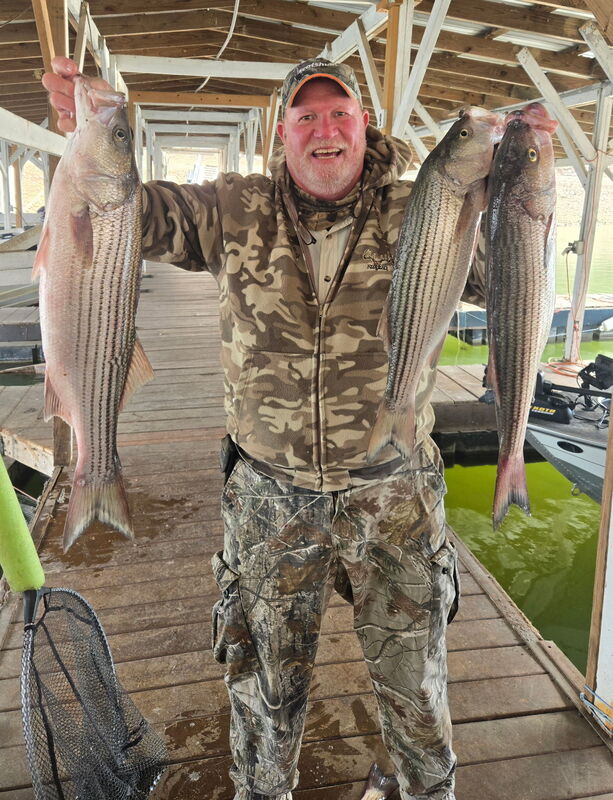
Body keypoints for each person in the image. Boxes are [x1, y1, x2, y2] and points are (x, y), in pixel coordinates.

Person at [43, 56, 479, 800]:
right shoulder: (232, 207)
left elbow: (495, 268)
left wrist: (496, 187)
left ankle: (423, 789)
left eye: (337, 112)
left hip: (393, 492)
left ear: (362, 123)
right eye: (305, 117)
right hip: (270, 497)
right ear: (282, 133)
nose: (323, 130)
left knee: (414, 680)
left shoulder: (424, 210)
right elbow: (126, 213)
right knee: (261, 683)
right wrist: (89, 131)